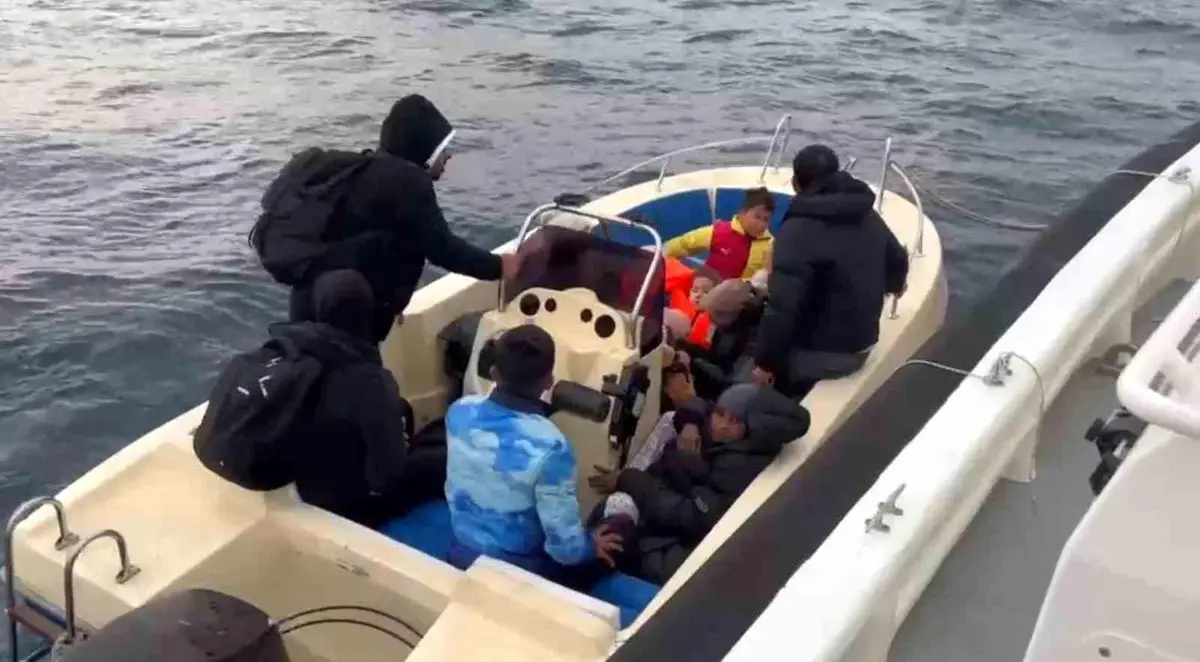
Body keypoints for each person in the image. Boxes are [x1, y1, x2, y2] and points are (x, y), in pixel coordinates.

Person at [288, 94, 521, 342]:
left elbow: (361, 244)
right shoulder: (408, 183)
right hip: (341, 316)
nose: (448, 155)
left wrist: (391, 295)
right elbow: (444, 249)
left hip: (309, 305)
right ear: (423, 149)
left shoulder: (367, 172)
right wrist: (499, 266)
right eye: (442, 148)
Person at [444, 324, 624, 587]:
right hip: (520, 571)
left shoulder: (459, 411)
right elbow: (565, 550)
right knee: (619, 536)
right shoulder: (552, 447)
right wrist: (589, 547)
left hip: (462, 550)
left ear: (493, 372)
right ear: (549, 382)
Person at [590, 384, 809, 583]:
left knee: (613, 535)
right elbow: (700, 404)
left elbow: (691, 516)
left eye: (735, 420)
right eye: (720, 414)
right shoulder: (728, 440)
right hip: (660, 490)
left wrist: (629, 480)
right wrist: (690, 422)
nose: (721, 426)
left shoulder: (739, 469)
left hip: (676, 538)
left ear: (752, 428)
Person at [276, 270, 442, 527]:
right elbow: (387, 477)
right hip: (352, 505)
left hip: (305, 484)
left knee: (402, 410)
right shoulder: (371, 382)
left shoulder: (290, 356)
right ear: (368, 314)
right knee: (443, 454)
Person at [749, 145, 909, 399]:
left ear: (797, 183)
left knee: (742, 379)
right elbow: (898, 264)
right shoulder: (867, 214)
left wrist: (764, 364)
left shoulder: (796, 230)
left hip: (822, 355)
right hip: (864, 343)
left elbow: (782, 308)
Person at [664, 187, 775, 281]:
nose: (761, 224)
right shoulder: (718, 232)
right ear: (743, 213)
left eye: (766, 219)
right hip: (706, 292)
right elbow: (682, 245)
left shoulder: (771, 246)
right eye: (757, 217)